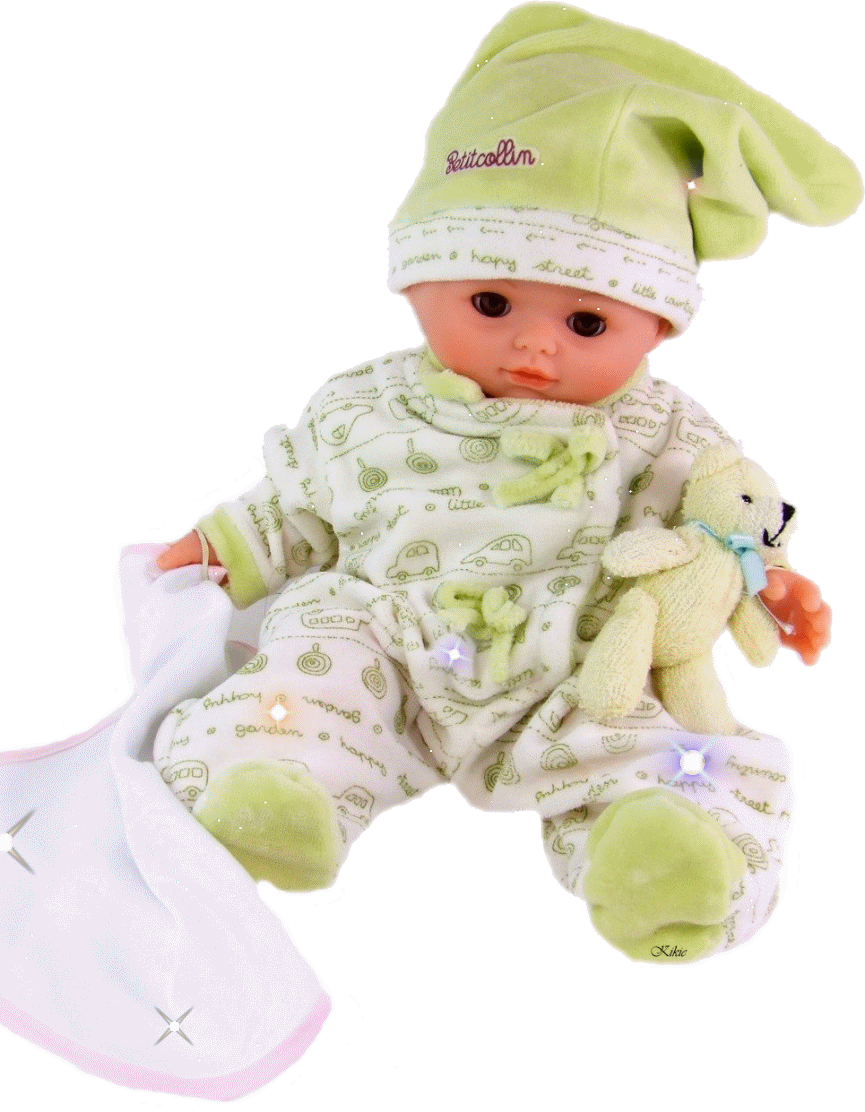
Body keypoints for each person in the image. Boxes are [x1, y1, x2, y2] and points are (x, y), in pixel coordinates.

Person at [153, 3, 856, 962]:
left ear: (658, 326)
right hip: (391, 638)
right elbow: (301, 500)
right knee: (309, 670)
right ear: (415, 284)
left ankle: (660, 859)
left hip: (580, 669)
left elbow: (725, 518)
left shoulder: (667, 430)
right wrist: (223, 546)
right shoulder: (364, 405)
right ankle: (278, 793)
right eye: (490, 303)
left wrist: (767, 579)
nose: (533, 345)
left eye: (586, 324)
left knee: (668, 754)